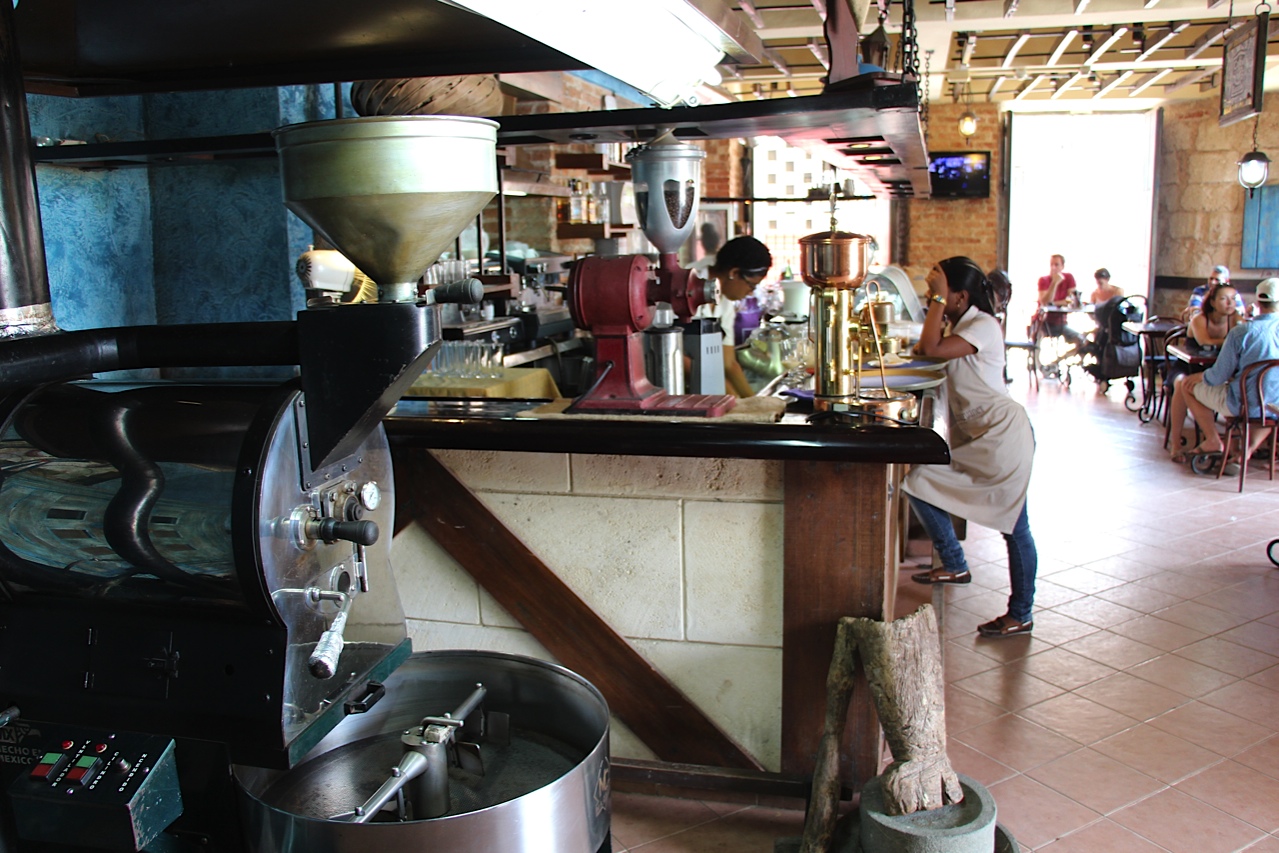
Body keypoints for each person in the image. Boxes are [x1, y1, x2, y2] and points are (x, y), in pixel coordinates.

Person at [905, 257, 1039, 638]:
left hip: (1001, 437)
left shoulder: (983, 324)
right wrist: (937, 302)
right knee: (919, 481)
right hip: (981, 437)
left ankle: (1021, 612)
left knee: (1016, 527)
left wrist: (934, 301)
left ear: (960, 296)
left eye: (938, 289)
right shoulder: (962, 323)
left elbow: (930, 347)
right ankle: (954, 561)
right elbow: (926, 348)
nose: (932, 296)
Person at [1169, 277, 1279, 466]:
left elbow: (1217, 376)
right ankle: (1245, 451)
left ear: (1258, 302)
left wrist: (1201, 377)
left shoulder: (1242, 331)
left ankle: (1213, 439)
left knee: (1187, 385)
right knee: (1267, 402)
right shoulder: (1229, 324)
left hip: (1242, 404)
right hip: (1274, 406)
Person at [700, 235, 773, 397]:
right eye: (751, 285)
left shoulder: (724, 301)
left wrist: (754, 403)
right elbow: (682, 358)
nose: (751, 292)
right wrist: (735, 400)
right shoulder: (688, 287)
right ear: (734, 273)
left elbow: (729, 363)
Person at [1035, 253, 1084, 361]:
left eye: (1056, 265)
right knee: (1036, 341)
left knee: (1082, 341)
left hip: (1060, 323)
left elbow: (1071, 300)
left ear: (1062, 266)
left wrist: (1055, 302)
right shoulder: (1043, 280)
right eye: (1051, 264)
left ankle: (1058, 361)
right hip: (1043, 323)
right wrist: (1055, 283)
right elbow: (1045, 301)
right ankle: (1037, 365)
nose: (1053, 267)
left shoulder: (1069, 278)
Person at [1187, 282, 1242, 348]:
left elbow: (1246, 340)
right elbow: (1204, 342)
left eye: (1233, 298)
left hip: (1223, 358)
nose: (1230, 303)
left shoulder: (1236, 318)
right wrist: (1233, 342)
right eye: (1223, 298)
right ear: (1212, 302)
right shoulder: (1199, 319)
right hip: (1196, 357)